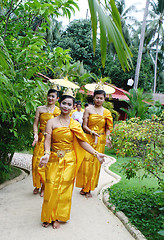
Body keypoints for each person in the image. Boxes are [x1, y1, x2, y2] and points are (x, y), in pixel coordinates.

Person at [39, 88, 106, 229]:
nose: (66, 107)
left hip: (69, 160)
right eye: (64, 103)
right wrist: (46, 153)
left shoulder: (75, 124)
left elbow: (82, 142)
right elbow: (48, 140)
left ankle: (57, 216)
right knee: (51, 187)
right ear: (60, 102)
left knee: (64, 189)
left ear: (73, 107)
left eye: (69, 104)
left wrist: (95, 153)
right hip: (53, 158)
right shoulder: (51, 122)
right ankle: (48, 215)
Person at [76, 86, 113, 198]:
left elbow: (108, 127)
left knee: (95, 165)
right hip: (89, 138)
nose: (99, 100)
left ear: (104, 99)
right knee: (86, 163)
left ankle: (89, 189)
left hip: (100, 140)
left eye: (101, 98)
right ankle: (84, 186)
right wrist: (92, 132)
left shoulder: (106, 112)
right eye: (97, 98)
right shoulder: (88, 110)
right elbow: (84, 125)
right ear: (93, 98)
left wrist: (107, 137)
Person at [32, 87, 60, 197]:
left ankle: (44, 185)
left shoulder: (58, 110)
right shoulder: (40, 108)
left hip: (50, 140)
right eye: (49, 95)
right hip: (39, 138)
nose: (50, 98)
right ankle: (37, 184)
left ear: (57, 98)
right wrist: (35, 134)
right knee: (36, 162)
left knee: (47, 163)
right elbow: (35, 123)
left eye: (53, 96)